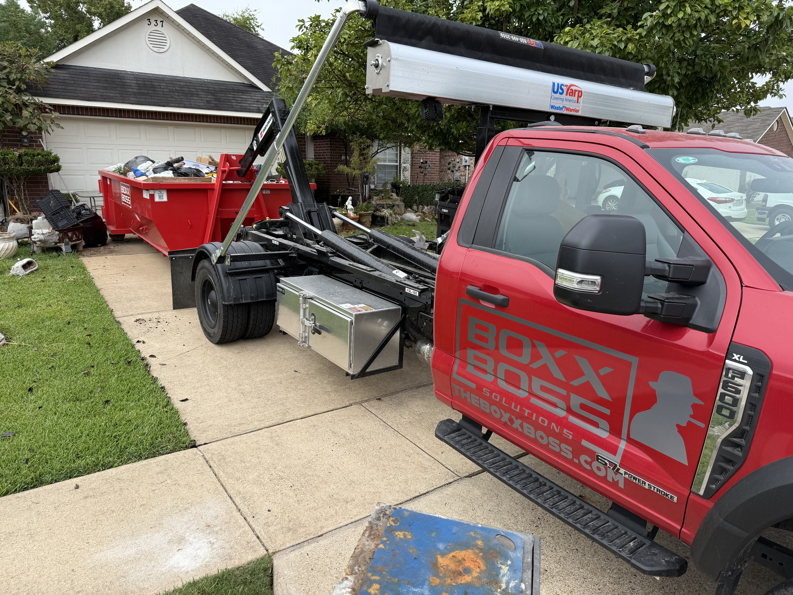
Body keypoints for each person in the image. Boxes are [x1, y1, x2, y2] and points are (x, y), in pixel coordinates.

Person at [629, 371, 703, 465]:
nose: (691, 411)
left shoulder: (640, 419)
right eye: (687, 405)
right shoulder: (643, 423)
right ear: (672, 403)